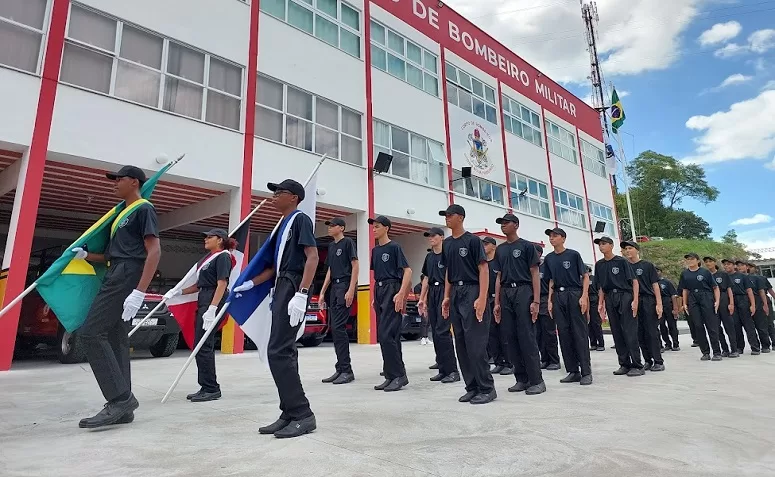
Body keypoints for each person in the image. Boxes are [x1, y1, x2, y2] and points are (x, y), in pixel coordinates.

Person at [73, 166, 160, 428]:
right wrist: (87, 257)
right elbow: (115, 255)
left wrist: (139, 290)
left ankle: (119, 398)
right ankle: (124, 406)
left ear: (134, 182)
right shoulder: (121, 213)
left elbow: (154, 250)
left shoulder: (143, 209)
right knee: (114, 336)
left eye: (118, 179)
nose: (114, 184)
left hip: (127, 275)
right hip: (117, 270)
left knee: (90, 333)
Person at [233, 178, 318, 438]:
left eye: (279, 192)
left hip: (293, 284)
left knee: (279, 350)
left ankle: (303, 414)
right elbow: (272, 268)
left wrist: (302, 294)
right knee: (281, 350)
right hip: (281, 282)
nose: (274, 197)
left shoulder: (300, 219)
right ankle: (289, 411)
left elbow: (312, 256)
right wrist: (250, 283)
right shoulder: (281, 225)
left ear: (294, 197)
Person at [165, 229, 235, 402]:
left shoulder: (223, 257)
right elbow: (198, 285)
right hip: (204, 299)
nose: (206, 239)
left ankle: (211, 388)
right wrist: (178, 292)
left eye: (209, 237)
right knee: (200, 345)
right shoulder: (208, 259)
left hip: (213, 301)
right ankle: (205, 386)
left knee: (204, 345)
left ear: (220, 240)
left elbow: (222, 283)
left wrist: (212, 308)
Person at [439, 204, 496, 404]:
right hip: (455, 291)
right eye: (445, 215)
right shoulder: (447, 244)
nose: (446, 218)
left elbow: (484, 269)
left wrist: (481, 298)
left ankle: (487, 388)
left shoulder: (472, 241)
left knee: (475, 344)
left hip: (472, 290)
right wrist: (446, 297)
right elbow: (448, 272)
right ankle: (471, 387)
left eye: (450, 215)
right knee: (461, 343)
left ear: (460, 217)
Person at [492, 214, 546, 395]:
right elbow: (498, 277)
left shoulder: (526, 246)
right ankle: (521, 379)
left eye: (506, 223)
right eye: (501, 224)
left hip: (523, 291)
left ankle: (536, 380)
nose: (503, 226)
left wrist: (536, 300)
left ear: (516, 225)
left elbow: (534, 273)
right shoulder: (500, 250)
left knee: (526, 336)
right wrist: (497, 302)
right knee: (510, 336)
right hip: (506, 292)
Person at [544, 228, 592, 385]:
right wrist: (550, 301)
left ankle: (586, 371)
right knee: (563, 333)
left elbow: (585, 276)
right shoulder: (549, 258)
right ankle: (573, 370)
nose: (552, 239)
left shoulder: (573, 255)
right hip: (558, 295)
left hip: (574, 293)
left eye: (555, 236)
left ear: (563, 239)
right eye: (550, 236)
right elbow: (550, 281)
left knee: (579, 332)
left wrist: (584, 296)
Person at [369, 215, 412, 391]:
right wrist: (374, 296)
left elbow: (407, 271)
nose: (374, 229)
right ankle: (390, 375)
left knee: (387, 334)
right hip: (379, 291)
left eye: (377, 226)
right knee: (386, 335)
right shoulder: (375, 251)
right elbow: (376, 275)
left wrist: (401, 293)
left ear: (386, 228)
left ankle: (399, 375)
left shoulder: (394, 247)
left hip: (392, 289)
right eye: (373, 227)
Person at [593, 236, 643, 377]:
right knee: (616, 331)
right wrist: (600, 303)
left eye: (603, 244)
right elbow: (601, 286)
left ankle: (637, 365)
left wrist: (635, 300)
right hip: (610, 297)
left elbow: (634, 281)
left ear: (611, 245)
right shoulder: (599, 264)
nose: (601, 247)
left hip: (624, 296)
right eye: (599, 244)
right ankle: (624, 363)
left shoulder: (621, 261)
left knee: (629, 331)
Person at [318, 217, 358, 385]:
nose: (330, 228)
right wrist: (322, 292)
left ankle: (346, 370)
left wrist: (351, 289)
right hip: (334, 288)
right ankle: (340, 368)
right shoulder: (331, 246)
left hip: (344, 287)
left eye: (333, 225)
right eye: (329, 225)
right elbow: (330, 271)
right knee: (334, 329)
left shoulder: (347, 242)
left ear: (341, 228)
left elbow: (355, 265)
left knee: (339, 328)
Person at [418, 229, 459, 383]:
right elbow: (426, 278)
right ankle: (443, 369)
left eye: (434, 235)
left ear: (442, 237)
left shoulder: (447, 255)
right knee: (435, 331)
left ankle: (452, 371)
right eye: (429, 236)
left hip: (444, 290)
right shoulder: (429, 257)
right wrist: (422, 298)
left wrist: (447, 296)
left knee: (443, 331)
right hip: (432, 292)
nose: (431, 238)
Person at [621, 240, 665, 372]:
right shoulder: (625, 266)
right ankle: (647, 360)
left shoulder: (647, 265)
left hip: (648, 300)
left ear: (637, 250)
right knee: (638, 333)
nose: (628, 251)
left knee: (651, 332)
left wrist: (659, 303)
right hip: (632, 301)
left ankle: (658, 361)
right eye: (626, 249)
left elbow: (655, 285)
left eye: (630, 248)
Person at [679, 253, 721, 361]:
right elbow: (684, 289)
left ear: (698, 261)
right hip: (692, 298)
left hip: (706, 296)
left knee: (711, 326)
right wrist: (684, 303)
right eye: (688, 259)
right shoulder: (684, 274)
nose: (690, 261)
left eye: (692, 259)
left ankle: (716, 352)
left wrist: (717, 301)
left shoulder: (705, 272)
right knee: (698, 326)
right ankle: (705, 352)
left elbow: (715, 287)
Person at [484, 236, 512, 375]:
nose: (484, 246)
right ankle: (498, 361)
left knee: (504, 332)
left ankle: (509, 362)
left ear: (493, 246)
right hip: (487, 300)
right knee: (491, 333)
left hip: (500, 300)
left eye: (487, 244)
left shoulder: (499, 262)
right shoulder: (483, 263)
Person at [703, 257, 739, 358]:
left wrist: (731, 303)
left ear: (714, 262)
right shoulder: (705, 275)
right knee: (716, 328)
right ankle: (725, 349)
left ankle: (734, 349)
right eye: (706, 262)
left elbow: (729, 289)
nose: (708, 263)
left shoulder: (723, 274)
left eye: (710, 261)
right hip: (711, 301)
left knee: (729, 326)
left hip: (723, 299)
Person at [535, 245, 561, 370]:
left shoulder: (547, 267)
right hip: (535, 301)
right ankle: (544, 359)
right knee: (538, 333)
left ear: (539, 254)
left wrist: (551, 300)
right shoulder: (531, 268)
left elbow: (552, 283)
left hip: (546, 299)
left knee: (549, 332)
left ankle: (554, 360)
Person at [728, 260, 759, 355]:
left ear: (734, 266)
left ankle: (755, 347)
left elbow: (749, 291)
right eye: (724, 264)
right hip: (732, 301)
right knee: (736, 326)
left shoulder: (742, 276)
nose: (726, 266)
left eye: (728, 264)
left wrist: (752, 305)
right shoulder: (726, 277)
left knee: (748, 325)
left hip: (743, 299)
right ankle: (739, 347)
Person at [747, 264, 773, 353]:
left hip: (762, 300)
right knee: (753, 326)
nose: (749, 269)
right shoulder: (743, 278)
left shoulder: (761, 278)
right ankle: (758, 346)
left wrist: (766, 304)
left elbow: (768, 290)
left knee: (767, 324)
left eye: (751, 267)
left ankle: (770, 344)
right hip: (750, 301)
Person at [656, 266, 680, 351]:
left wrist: (675, 308)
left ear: (661, 272)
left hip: (668, 304)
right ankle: (667, 343)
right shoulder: (653, 283)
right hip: (659, 305)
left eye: (658, 271)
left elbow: (673, 295)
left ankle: (675, 344)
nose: (656, 272)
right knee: (661, 325)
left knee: (672, 325)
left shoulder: (666, 282)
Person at [587, 266, 605, 352]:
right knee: (588, 324)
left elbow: (600, 290)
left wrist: (600, 303)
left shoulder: (594, 278)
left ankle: (601, 343)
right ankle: (593, 343)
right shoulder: (582, 279)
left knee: (596, 323)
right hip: (586, 301)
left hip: (594, 300)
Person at [415, 277, 431, 345]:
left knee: (428, 322)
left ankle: (426, 337)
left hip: (428, 305)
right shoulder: (418, 287)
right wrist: (424, 297)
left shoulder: (429, 287)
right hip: (421, 306)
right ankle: (422, 338)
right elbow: (417, 296)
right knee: (424, 321)